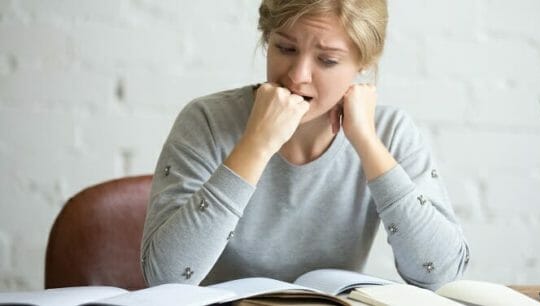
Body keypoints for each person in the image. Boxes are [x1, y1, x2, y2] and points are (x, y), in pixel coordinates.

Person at [141, 0, 469, 291]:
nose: (298, 77)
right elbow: (166, 278)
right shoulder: (207, 120)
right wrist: (256, 145)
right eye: (285, 49)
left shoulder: (391, 132)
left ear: (364, 61)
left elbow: (440, 272)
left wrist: (367, 144)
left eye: (326, 60)